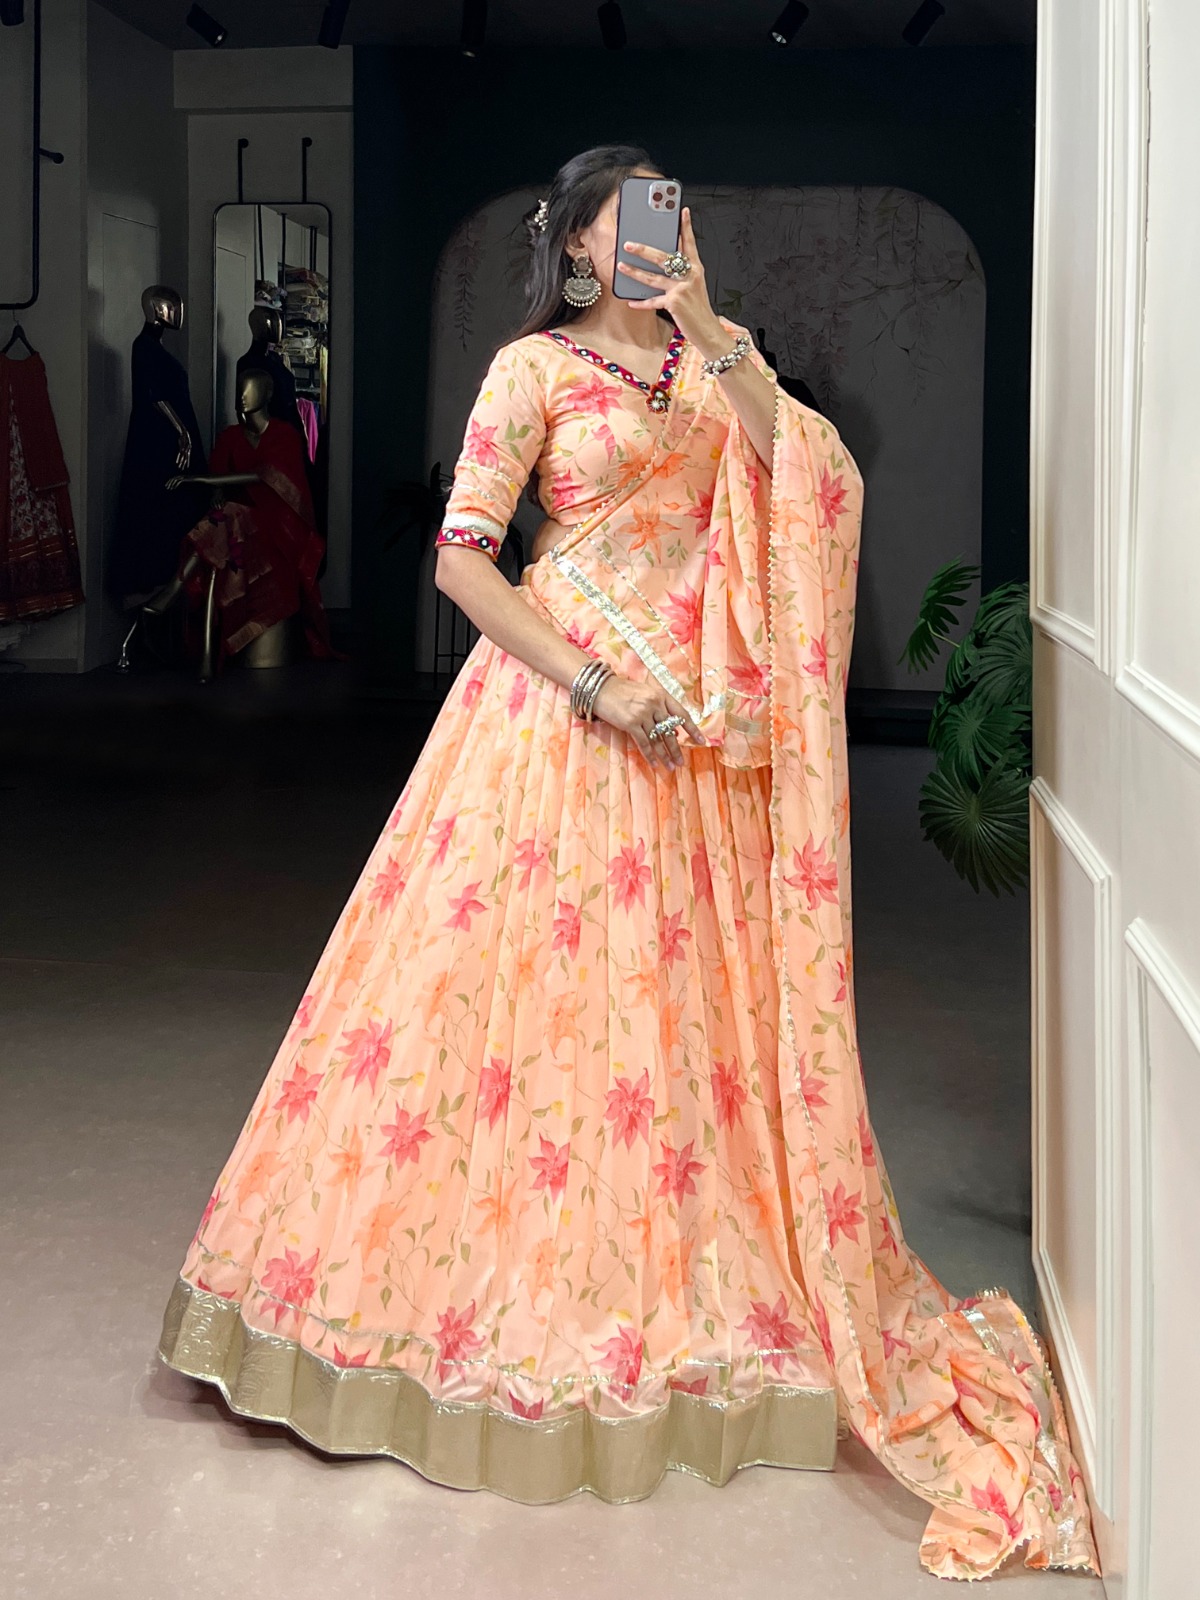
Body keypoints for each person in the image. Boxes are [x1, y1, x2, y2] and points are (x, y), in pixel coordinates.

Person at [156, 146, 1100, 1584]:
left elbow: (810, 483)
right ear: (580, 247)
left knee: (678, 1030)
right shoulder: (531, 371)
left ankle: (686, 1279)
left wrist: (714, 330)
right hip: (558, 714)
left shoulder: (716, 365)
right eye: (635, 215)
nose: (666, 231)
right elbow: (463, 560)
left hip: (697, 735)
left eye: (680, 209)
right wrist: (594, 683)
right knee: (508, 1019)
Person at [157, 366, 340, 671]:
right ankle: (200, 641)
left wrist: (200, 480)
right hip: (239, 526)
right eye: (240, 388)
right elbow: (220, 471)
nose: (242, 396)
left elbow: (265, 476)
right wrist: (216, 491)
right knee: (225, 517)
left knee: (230, 515)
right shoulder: (230, 436)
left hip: (278, 525)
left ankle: (174, 587)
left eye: (250, 388)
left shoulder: (285, 435)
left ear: (267, 394)